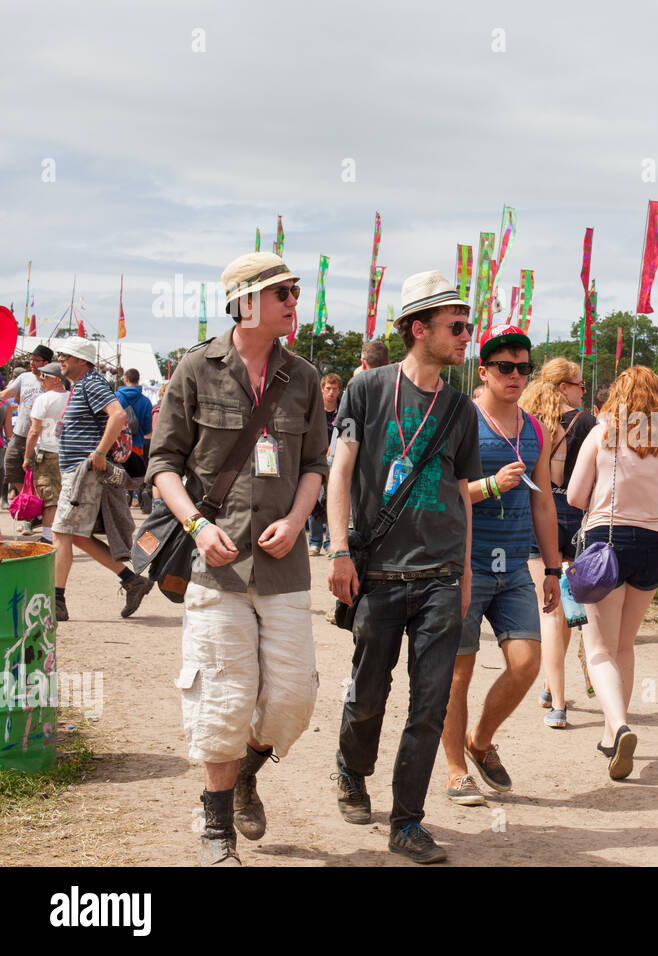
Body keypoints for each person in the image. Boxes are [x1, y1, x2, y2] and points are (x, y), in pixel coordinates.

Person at [149, 251, 329, 866]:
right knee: (222, 699)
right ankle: (217, 821)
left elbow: (314, 466)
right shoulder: (195, 368)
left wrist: (298, 518)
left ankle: (249, 771)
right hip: (214, 566)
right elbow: (162, 464)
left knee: (291, 703)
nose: (293, 303)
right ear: (245, 302)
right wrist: (197, 526)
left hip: (285, 568)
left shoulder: (303, 376)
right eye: (282, 293)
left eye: (295, 292)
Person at [329, 270, 477, 864]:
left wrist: (464, 576)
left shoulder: (459, 407)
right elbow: (340, 472)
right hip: (379, 574)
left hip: (440, 575)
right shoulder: (366, 390)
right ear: (420, 329)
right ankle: (350, 768)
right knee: (368, 693)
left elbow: (463, 494)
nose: (467, 336)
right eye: (456, 327)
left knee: (430, 702)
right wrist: (338, 549)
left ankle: (408, 822)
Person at [440, 324, 561, 807]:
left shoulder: (535, 428)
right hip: (463, 562)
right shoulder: (460, 419)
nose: (516, 376)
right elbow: (442, 492)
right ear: (485, 371)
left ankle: (480, 740)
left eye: (523, 369)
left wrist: (552, 570)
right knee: (457, 674)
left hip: (513, 565)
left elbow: (544, 504)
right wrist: (490, 485)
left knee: (528, 664)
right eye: (505, 368)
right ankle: (454, 771)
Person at [567, 366, 658, 780]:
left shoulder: (601, 435)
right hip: (653, 545)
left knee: (599, 648)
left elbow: (574, 496)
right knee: (625, 646)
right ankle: (609, 731)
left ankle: (618, 726)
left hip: (605, 539)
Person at [50, 338, 153, 623]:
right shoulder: (83, 385)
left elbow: (118, 415)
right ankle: (132, 581)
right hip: (80, 471)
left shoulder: (91, 383)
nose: (61, 359)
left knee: (60, 533)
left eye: (65, 355)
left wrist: (99, 452)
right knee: (78, 537)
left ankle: (57, 601)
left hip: (84, 472)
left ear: (81, 360)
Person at [519, 358, 598, 728]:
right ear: (565, 386)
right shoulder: (585, 423)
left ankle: (553, 690)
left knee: (550, 611)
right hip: (576, 518)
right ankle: (559, 702)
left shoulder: (528, 420)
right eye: (580, 385)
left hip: (538, 516)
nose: (583, 391)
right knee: (564, 612)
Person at [0, 345, 54, 509]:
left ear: (46, 363)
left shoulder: (53, 381)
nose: (32, 362)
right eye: (31, 359)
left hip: (42, 437)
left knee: (39, 474)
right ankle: (32, 500)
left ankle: (36, 509)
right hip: (20, 434)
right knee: (10, 466)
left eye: (37, 360)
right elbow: (7, 394)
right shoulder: (24, 377)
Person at [22, 362, 69, 544]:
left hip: (47, 452)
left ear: (57, 379)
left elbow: (34, 431)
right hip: (68, 453)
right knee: (64, 495)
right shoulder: (72, 398)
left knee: (49, 497)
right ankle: (61, 534)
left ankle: (48, 537)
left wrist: (27, 456)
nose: (42, 380)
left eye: (45, 377)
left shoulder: (43, 399)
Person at [307, 372, 342, 555]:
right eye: (328, 388)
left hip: (336, 461)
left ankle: (329, 542)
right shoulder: (315, 409)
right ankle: (314, 541)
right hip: (315, 459)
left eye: (335, 389)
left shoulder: (343, 410)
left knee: (332, 501)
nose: (331, 392)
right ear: (322, 389)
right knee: (314, 500)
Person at [115, 368, 155, 513]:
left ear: (125, 378)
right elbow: (147, 429)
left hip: (118, 443)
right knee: (134, 473)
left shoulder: (115, 397)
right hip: (137, 443)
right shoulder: (145, 401)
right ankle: (133, 497)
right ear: (138, 380)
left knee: (118, 472)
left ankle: (121, 497)